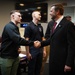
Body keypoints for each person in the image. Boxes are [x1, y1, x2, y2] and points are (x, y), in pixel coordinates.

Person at [34, 3, 75, 75]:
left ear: (57, 11)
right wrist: (41, 43)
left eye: (51, 11)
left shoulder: (68, 25)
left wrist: (69, 63)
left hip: (63, 61)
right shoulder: (53, 24)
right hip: (53, 60)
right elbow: (52, 39)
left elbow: (72, 45)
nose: (49, 13)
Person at [0, 10, 35, 75]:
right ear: (12, 16)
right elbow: (18, 39)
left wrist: (18, 47)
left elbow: (15, 40)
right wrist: (32, 43)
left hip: (15, 56)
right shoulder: (9, 27)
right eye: (19, 16)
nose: (21, 18)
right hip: (7, 58)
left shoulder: (15, 27)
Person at [24, 10, 46, 75]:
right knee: (31, 69)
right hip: (32, 50)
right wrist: (27, 53)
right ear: (34, 16)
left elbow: (42, 39)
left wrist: (44, 50)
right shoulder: (28, 26)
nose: (40, 16)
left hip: (40, 50)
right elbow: (26, 41)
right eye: (39, 14)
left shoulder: (40, 26)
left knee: (38, 68)